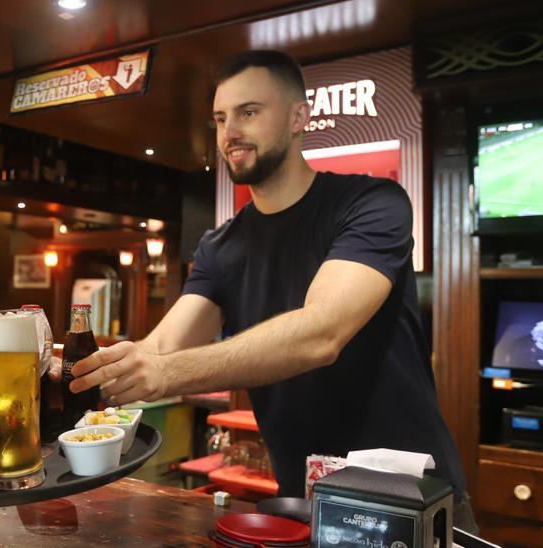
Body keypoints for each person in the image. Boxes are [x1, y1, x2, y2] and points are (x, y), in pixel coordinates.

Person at [70, 50, 476, 529]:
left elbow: (320, 335)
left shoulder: (370, 203)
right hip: (306, 500)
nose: (230, 133)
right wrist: (97, 371)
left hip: (411, 497)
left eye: (249, 112)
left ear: (299, 117)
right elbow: (161, 346)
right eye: (221, 118)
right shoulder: (220, 245)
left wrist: (163, 372)